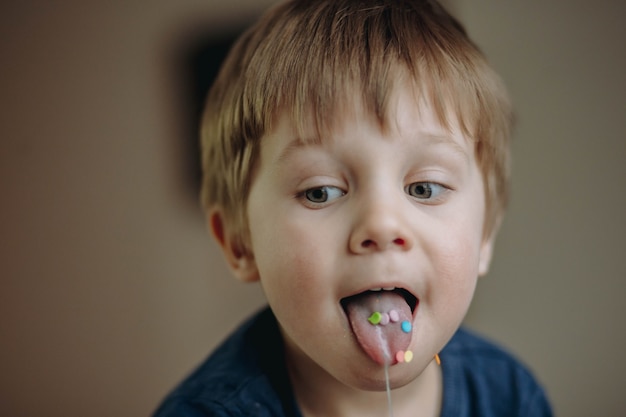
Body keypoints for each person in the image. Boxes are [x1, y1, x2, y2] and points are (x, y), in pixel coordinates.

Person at [154, 0, 553, 416]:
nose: (381, 224)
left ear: (485, 234)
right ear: (240, 243)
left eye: (424, 187)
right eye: (320, 192)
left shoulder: (508, 396)